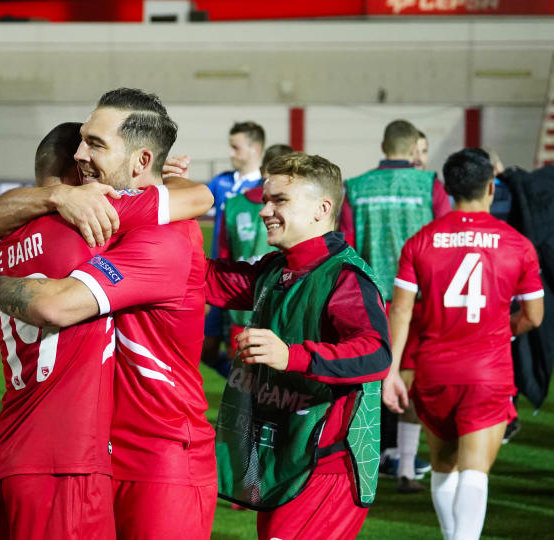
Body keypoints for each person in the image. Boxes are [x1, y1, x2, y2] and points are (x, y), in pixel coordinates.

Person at [0, 88, 217, 539]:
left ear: (141, 161)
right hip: (98, 452)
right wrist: (56, 198)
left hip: (161, 459)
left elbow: (56, 303)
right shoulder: (101, 216)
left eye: (96, 144)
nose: (80, 154)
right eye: (81, 141)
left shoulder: (166, 239)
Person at [206, 152, 391, 540]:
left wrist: (291, 356)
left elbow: (375, 353)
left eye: (280, 201)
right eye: (265, 200)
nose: (264, 212)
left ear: (322, 209)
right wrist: (163, 201)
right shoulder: (276, 268)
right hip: (286, 458)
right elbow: (204, 279)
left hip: (327, 467)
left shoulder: (345, 276)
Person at [383, 148, 544, 540]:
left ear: (448, 189)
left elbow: (401, 312)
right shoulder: (517, 244)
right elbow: (534, 317)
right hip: (488, 370)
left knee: (443, 467)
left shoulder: (420, 241)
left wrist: (390, 373)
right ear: (491, 186)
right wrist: (503, 328)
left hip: (434, 370)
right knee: (474, 470)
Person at [339, 119, 448, 487]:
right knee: (410, 382)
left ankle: (360, 461)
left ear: (384, 145)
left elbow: (348, 246)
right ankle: (404, 465)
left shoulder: (355, 188)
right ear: (413, 146)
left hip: (370, 298)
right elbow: (444, 238)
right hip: (417, 301)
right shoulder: (429, 185)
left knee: (368, 380)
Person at [216, 143, 293, 372]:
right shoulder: (299, 210)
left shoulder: (232, 205)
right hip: (280, 309)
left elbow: (223, 258)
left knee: (243, 388)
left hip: (241, 308)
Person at [202, 121, 266, 378]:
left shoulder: (267, 187)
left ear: (255, 148)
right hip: (220, 278)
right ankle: (236, 380)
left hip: (252, 283)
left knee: (248, 352)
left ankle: (247, 391)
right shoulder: (221, 183)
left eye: (236, 147)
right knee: (205, 350)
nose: (231, 153)